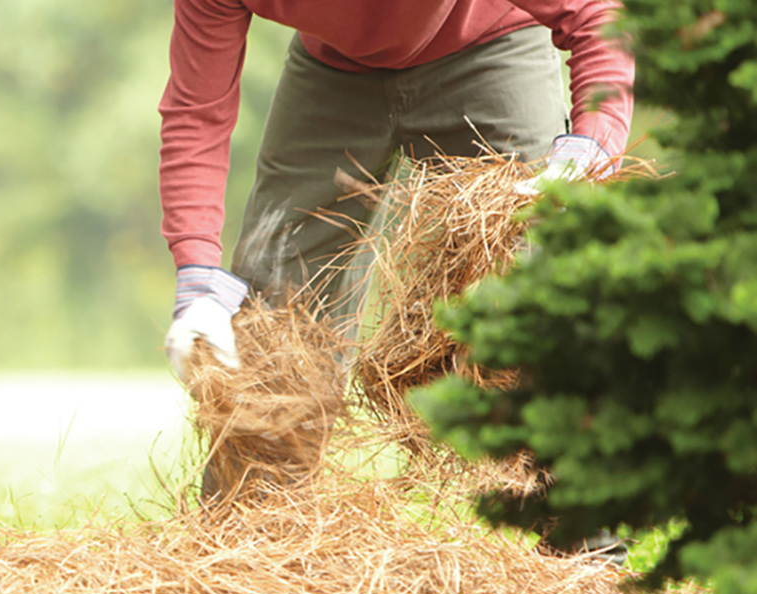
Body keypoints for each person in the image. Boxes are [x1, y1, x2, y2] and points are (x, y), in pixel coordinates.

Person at [160, 0, 634, 382]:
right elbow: (196, 111)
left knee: (524, 281)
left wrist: (589, 150)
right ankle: (259, 500)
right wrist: (196, 278)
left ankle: (548, 497)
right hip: (331, 67)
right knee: (277, 322)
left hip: (491, 43)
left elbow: (598, 17)